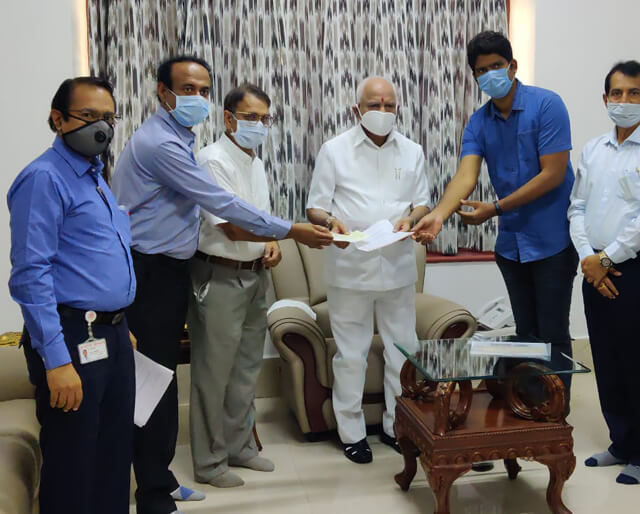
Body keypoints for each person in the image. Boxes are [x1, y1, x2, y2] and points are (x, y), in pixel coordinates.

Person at [111, 55, 333, 514]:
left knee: (228, 370)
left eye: (203, 90)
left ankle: (182, 469)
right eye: (187, 89)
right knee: (178, 376)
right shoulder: (178, 150)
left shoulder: (220, 151)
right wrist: (290, 231)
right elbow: (226, 213)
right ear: (162, 91)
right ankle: (186, 470)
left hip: (207, 271)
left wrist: (272, 244)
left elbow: (245, 218)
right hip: (160, 270)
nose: (198, 99)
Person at [413, 31, 578, 397]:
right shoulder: (479, 122)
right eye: (482, 70)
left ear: (513, 66)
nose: (490, 75)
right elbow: (465, 176)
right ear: (474, 77)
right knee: (525, 332)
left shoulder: (547, 105)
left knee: (552, 331)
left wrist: (496, 208)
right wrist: (440, 214)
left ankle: (554, 414)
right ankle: (529, 404)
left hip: (552, 240)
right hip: (511, 244)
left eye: (497, 66)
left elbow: (552, 174)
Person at [8, 76, 136, 513]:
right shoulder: (44, 178)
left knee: (116, 455)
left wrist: (120, 324)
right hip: (69, 337)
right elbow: (30, 274)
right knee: (74, 462)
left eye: (108, 118)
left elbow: (96, 260)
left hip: (111, 334)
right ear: (57, 119)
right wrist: (57, 360)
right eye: (88, 117)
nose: (101, 127)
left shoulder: (95, 177)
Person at [306, 76, 431, 464]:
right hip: (350, 268)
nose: (382, 112)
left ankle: (398, 428)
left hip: (396, 267)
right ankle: (352, 432)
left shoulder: (412, 151)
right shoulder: (334, 150)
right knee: (351, 355)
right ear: (356, 109)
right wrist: (330, 223)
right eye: (374, 105)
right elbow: (315, 206)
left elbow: (422, 203)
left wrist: (412, 218)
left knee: (403, 353)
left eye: (389, 105)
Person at [568, 61, 640, 485]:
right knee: (606, 359)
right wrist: (588, 259)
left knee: (638, 362)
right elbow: (577, 208)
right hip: (592, 266)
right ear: (605, 99)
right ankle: (621, 441)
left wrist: (606, 259)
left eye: (634, 93)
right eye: (617, 93)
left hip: (634, 270)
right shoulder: (594, 149)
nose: (624, 101)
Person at [187, 83, 281, 488]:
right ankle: (209, 463)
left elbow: (259, 218)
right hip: (219, 274)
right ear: (228, 119)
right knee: (214, 373)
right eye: (250, 118)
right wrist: (287, 232)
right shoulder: (212, 160)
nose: (258, 125)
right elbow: (227, 223)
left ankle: (242, 447)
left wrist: (273, 242)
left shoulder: (255, 161)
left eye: (264, 118)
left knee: (246, 369)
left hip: (254, 274)